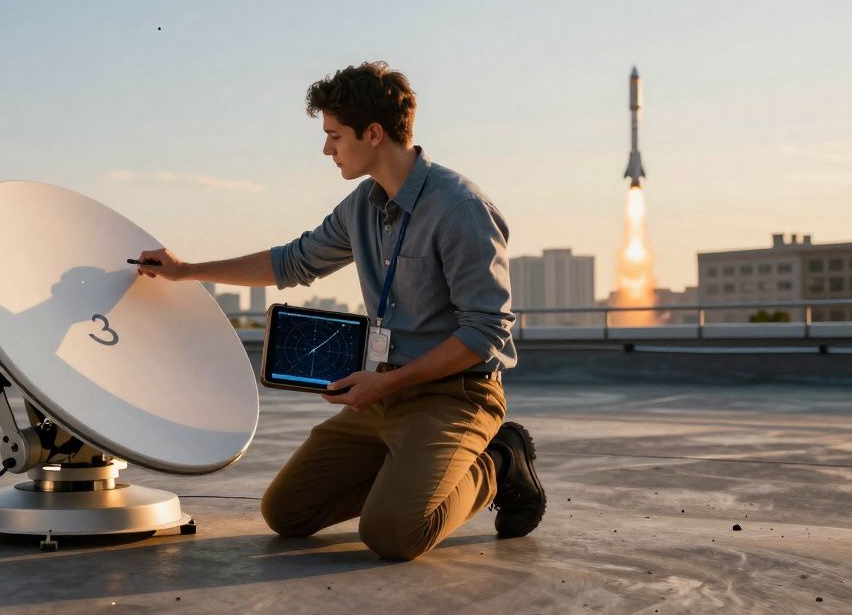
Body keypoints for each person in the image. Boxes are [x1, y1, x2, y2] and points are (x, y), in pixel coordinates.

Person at [136, 61, 545, 561]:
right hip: (379, 395)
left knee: (393, 534)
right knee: (287, 514)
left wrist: (390, 382)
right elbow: (291, 261)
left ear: (373, 134)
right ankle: (410, 473)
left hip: (453, 396)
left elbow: (487, 333)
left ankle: (498, 462)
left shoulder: (459, 209)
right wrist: (186, 270)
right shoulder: (362, 206)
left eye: (334, 135)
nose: (326, 149)